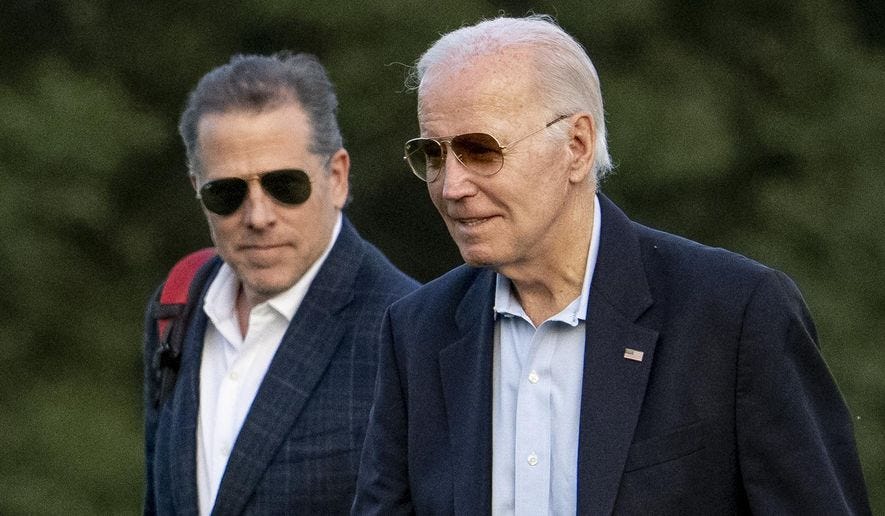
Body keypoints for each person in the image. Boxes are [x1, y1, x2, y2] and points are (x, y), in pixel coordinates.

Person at [352, 15, 870, 515]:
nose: (451, 186)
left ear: (576, 146)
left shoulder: (733, 315)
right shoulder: (417, 329)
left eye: (480, 151)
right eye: (434, 155)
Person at [142, 52, 418, 515]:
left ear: (337, 177)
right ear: (197, 188)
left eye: (284, 185)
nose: (258, 216)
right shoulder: (176, 304)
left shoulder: (407, 328)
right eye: (226, 193)